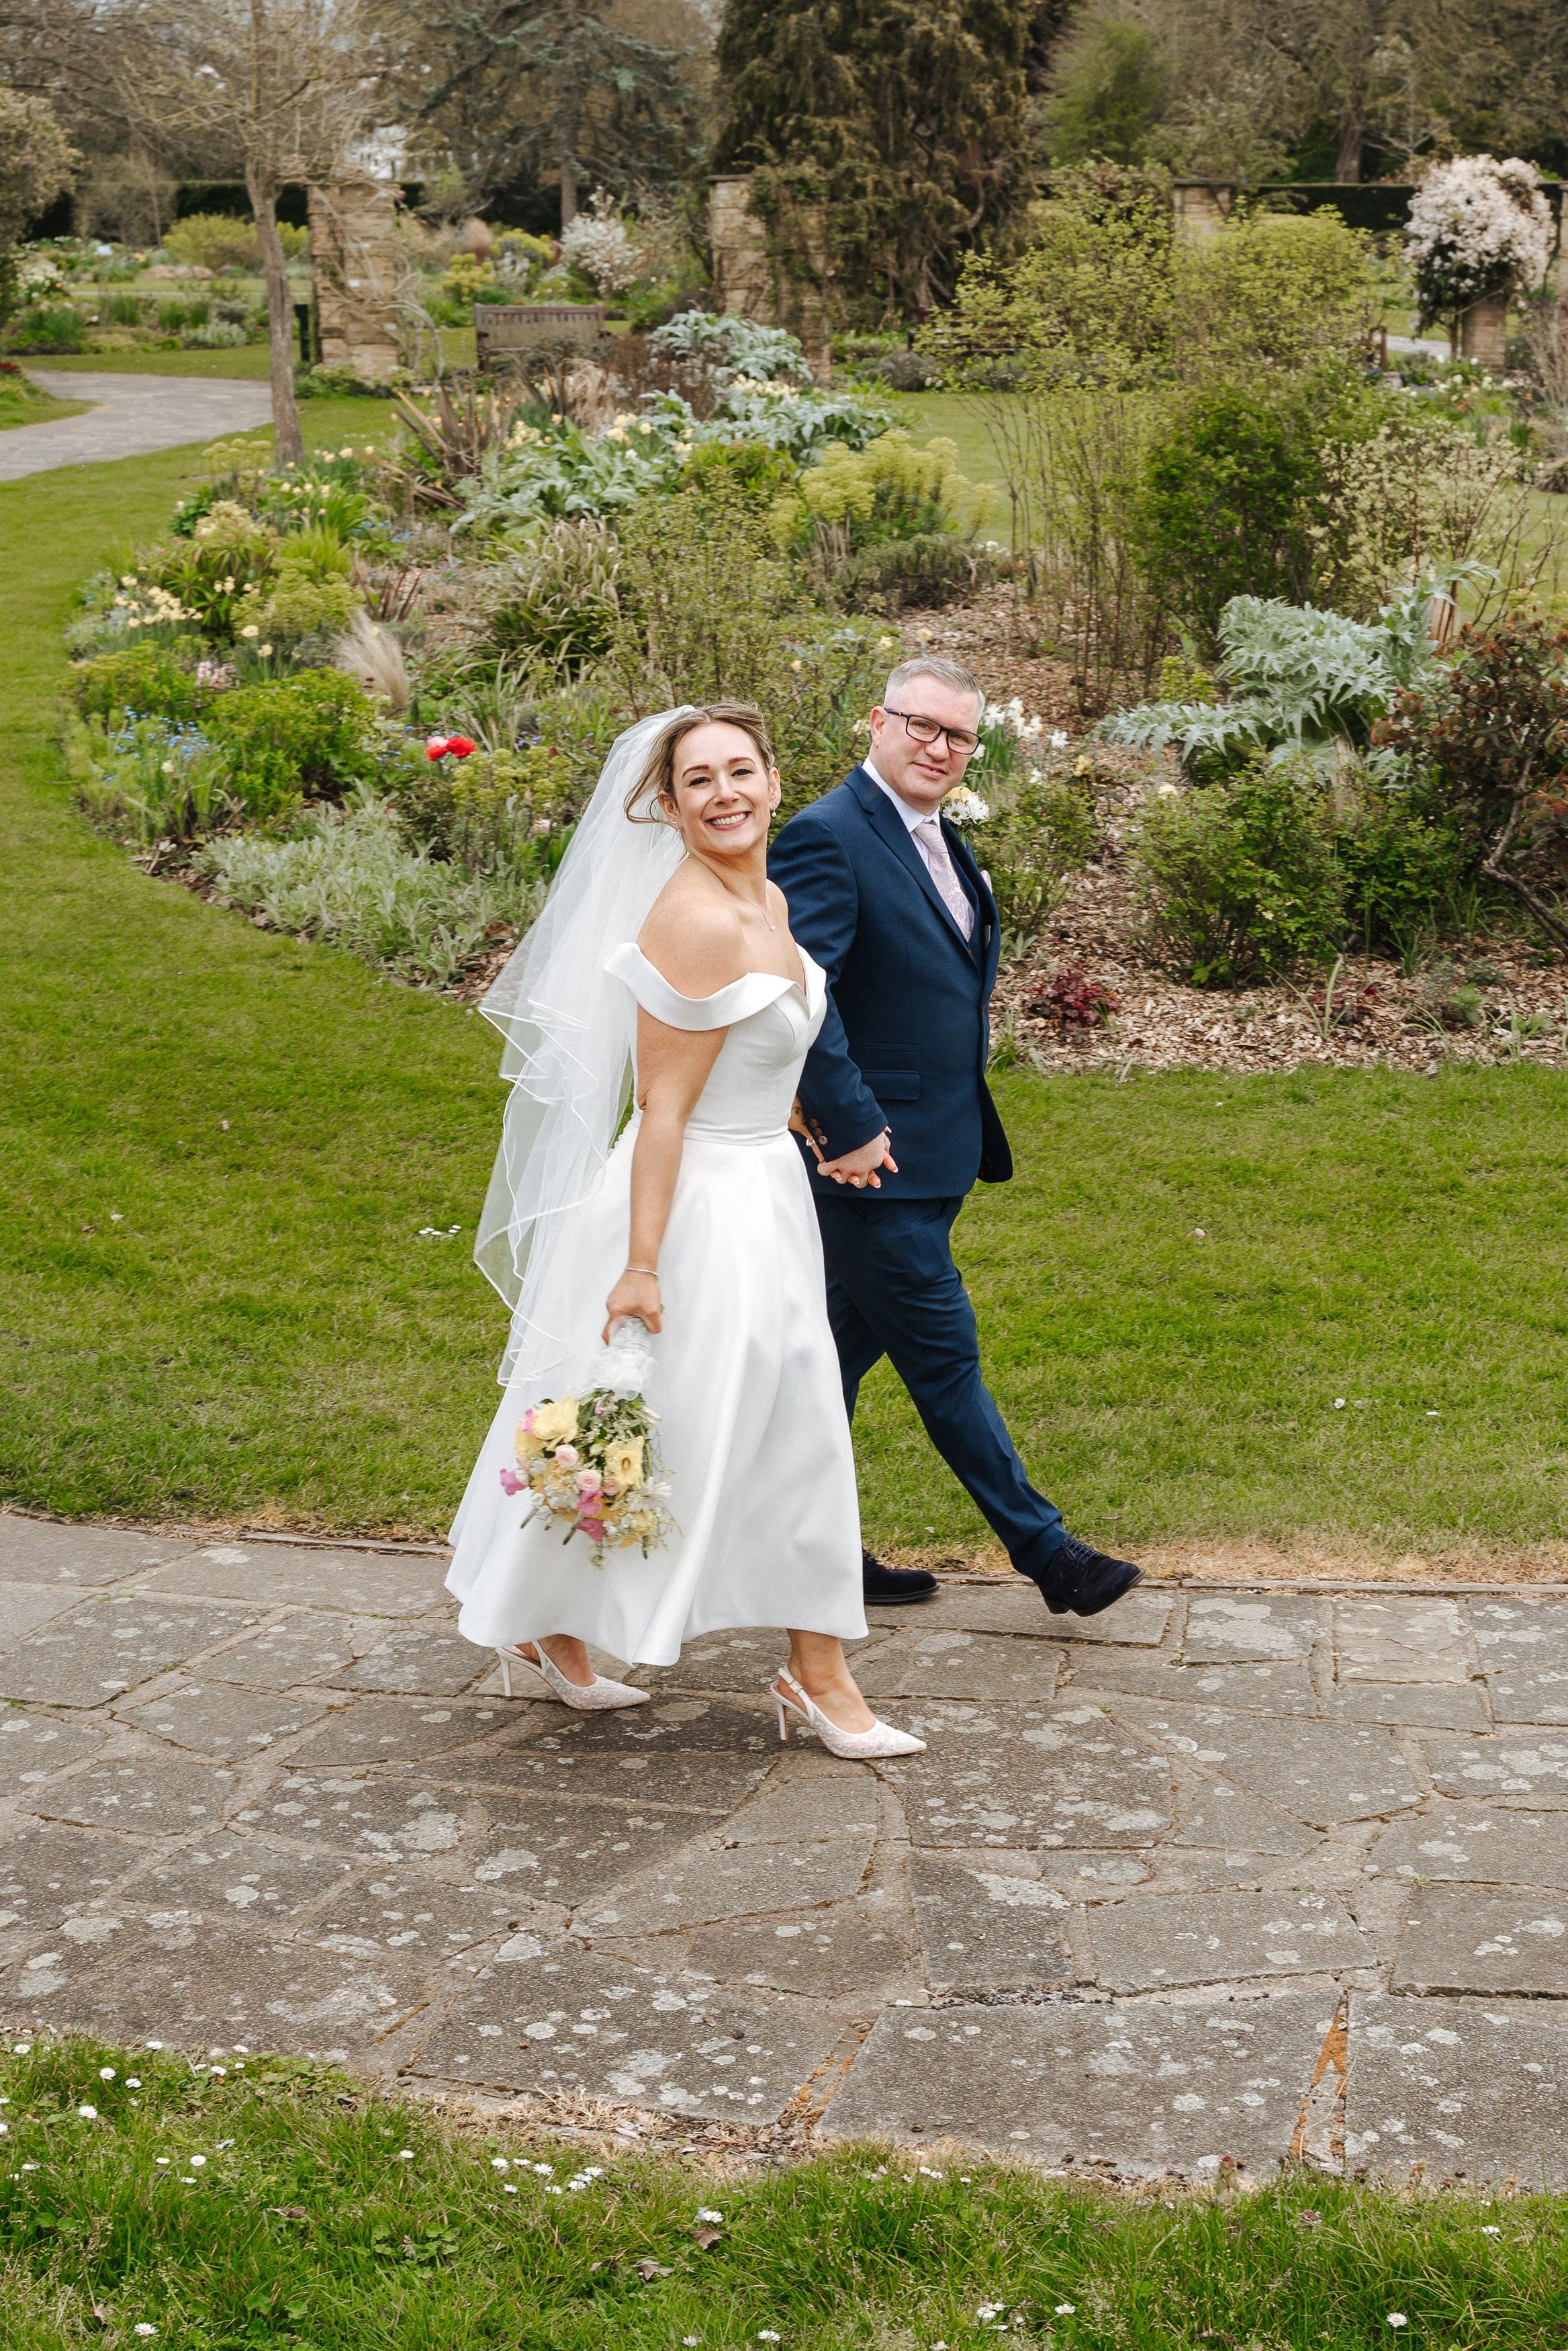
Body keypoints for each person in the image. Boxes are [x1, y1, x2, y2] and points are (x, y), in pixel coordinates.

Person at [445, 703, 925, 1761]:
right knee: (677, 1427)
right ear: (667, 807)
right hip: (696, 1212)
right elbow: (662, 1109)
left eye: (740, 770)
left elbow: (755, 1047)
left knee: (767, 1427)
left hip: (765, 1193)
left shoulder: (770, 898)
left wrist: (795, 1116)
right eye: (698, 780)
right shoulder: (698, 920)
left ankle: (778, 1664)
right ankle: (800, 1671)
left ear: (774, 779)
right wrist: (640, 1268)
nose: (725, 794)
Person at [768, 655, 1143, 1620]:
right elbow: (800, 998)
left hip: (933, 1152)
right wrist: (850, 1124)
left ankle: (806, 1554)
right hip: (868, 1166)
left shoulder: (939, 837)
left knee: (821, 1367)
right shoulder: (827, 836)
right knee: (944, 1357)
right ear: (877, 721)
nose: (939, 748)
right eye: (921, 726)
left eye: (959, 736)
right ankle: (1052, 1556)